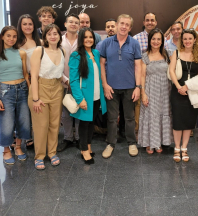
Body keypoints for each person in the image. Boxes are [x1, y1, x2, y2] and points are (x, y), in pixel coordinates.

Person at [99, 14, 142, 158]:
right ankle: (111, 143)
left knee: (129, 117)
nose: (123, 26)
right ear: (117, 25)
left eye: (127, 25)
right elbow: (102, 64)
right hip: (111, 87)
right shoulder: (106, 43)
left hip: (130, 87)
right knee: (111, 118)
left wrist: (138, 87)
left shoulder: (134, 43)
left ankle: (131, 143)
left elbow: (138, 66)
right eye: (121, 23)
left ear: (130, 28)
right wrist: (105, 85)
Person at [28, 24, 65, 170]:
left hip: (57, 89)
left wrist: (69, 82)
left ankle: (52, 152)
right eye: (49, 34)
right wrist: (35, 99)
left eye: (55, 33)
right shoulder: (39, 50)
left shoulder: (62, 51)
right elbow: (34, 76)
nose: (53, 36)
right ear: (45, 36)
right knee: (41, 125)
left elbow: (59, 73)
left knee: (54, 124)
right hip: (40, 89)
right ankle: (39, 156)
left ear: (59, 35)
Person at [68, 28, 107, 164]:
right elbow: (73, 80)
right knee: (84, 124)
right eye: (86, 37)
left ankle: (88, 146)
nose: (89, 40)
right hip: (84, 96)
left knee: (91, 123)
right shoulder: (76, 56)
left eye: (91, 37)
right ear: (81, 39)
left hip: (96, 96)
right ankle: (83, 149)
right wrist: (80, 99)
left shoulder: (96, 53)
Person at [0, 26, 30, 164]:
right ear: (2, 36)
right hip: (5, 91)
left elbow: (26, 74)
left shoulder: (21, 53)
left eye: (14, 36)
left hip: (22, 89)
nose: (11, 39)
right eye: (8, 36)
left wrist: (31, 92)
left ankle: (18, 146)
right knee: (7, 122)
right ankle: (7, 150)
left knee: (23, 120)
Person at [169, 28, 198, 162]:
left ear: (195, 40)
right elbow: (171, 71)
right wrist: (179, 87)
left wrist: (187, 86)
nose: (187, 41)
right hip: (177, 92)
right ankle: (176, 148)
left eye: (190, 38)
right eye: (185, 39)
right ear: (181, 40)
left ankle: (184, 148)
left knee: (189, 121)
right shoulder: (176, 53)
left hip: (192, 91)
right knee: (178, 121)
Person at [139, 28, 173, 154]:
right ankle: (150, 143)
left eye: (159, 39)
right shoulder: (144, 56)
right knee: (151, 115)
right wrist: (143, 93)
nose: (156, 41)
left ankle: (159, 142)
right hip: (150, 89)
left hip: (165, 89)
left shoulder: (168, 54)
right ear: (149, 40)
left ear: (162, 41)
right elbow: (142, 75)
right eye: (153, 39)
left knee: (163, 114)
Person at [17, 14, 42, 148]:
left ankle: (34, 135)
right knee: (22, 110)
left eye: (30, 24)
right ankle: (23, 137)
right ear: (20, 26)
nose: (27, 26)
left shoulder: (40, 42)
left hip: (35, 80)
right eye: (24, 24)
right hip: (19, 80)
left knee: (35, 108)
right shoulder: (16, 42)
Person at [57, 13, 81, 152]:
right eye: (70, 22)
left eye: (76, 22)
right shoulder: (58, 41)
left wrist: (76, 81)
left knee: (78, 110)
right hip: (62, 81)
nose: (73, 24)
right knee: (65, 113)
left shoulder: (82, 41)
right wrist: (66, 80)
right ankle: (67, 138)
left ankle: (78, 138)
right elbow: (53, 63)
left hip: (79, 82)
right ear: (65, 24)